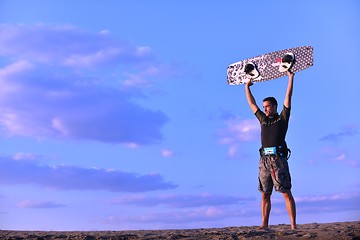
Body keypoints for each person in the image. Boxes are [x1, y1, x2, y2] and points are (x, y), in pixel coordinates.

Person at [245, 71, 297, 230]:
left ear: (274, 106)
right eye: (264, 107)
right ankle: (264, 224)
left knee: (286, 192)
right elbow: (252, 104)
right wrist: (247, 86)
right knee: (265, 194)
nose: (265, 109)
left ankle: (293, 225)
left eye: (268, 106)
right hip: (264, 161)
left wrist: (290, 78)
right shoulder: (263, 119)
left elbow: (288, 99)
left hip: (278, 160)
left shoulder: (282, 118)